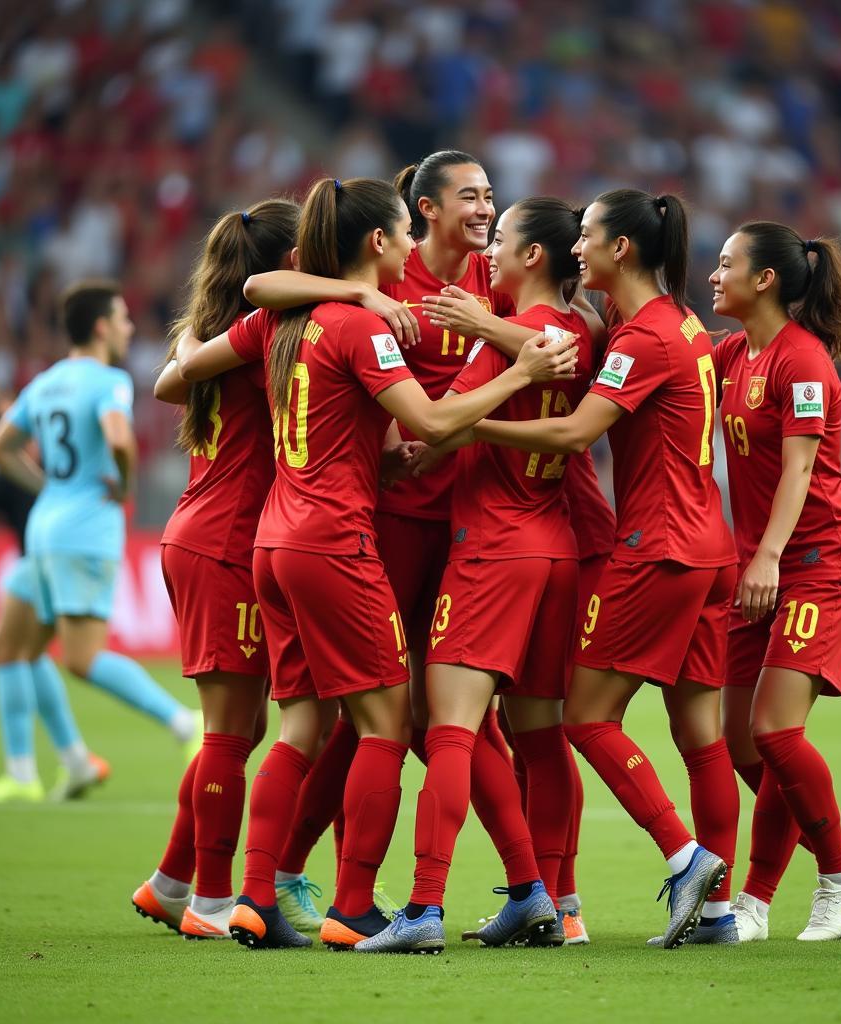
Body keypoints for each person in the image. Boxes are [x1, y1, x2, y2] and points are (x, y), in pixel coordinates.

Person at [176, 176, 577, 951]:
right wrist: (521, 374)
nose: (404, 250)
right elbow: (427, 419)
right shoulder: (366, 330)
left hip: (274, 544)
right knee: (389, 722)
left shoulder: (279, 323)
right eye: (397, 234)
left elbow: (192, 370)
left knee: (301, 723)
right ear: (379, 243)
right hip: (338, 543)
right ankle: (353, 903)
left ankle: (252, 897)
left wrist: (187, 344)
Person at [401, 189, 741, 950]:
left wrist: (453, 429)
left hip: (649, 546)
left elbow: (568, 430)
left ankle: (678, 859)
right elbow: (567, 343)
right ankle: (693, 913)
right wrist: (497, 332)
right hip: (687, 544)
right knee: (688, 736)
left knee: (573, 720)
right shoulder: (652, 325)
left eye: (588, 235)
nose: (578, 246)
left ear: (619, 248)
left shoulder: (635, 337)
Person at [359, 197, 604, 952]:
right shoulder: (578, 332)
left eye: (500, 240)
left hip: (493, 547)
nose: (487, 252)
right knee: (538, 735)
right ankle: (554, 901)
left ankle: (424, 906)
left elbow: (445, 421)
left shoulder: (507, 340)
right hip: (554, 547)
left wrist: (409, 447)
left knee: (449, 728)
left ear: (534, 257)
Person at [709, 221, 841, 941]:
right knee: (742, 743)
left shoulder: (804, 361)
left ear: (766, 280)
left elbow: (799, 469)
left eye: (727, 264)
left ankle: (828, 878)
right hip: (766, 564)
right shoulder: (732, 353)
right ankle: (815, 879)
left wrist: (766, 556)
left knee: (775, 732)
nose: (713, 275)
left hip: (817, 563)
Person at [131, 199, 300, 941]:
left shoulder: (214, 332)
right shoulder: (258, 337)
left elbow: (172, 380)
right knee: (230, 732)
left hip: (207, 533)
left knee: (243, 722)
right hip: (226, 541)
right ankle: (209, 898)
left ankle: (170, 882)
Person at [0, 281, 200, 780]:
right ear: (102, 327)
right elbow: (120, 440)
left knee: (10, 649)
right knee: (78, 658)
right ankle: (183, 722)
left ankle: (33, 772)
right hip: (85, 531)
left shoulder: (46, 382)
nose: (129, 327)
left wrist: (46, 487)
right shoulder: (109, 382)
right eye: (123, 318)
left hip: (45, 529)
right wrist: (122, 484)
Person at [0, 388, 109, 803]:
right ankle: (74, 758)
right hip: (47, 553)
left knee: (17, 651)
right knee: (25, 651)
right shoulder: (46, 449)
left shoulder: (15, 469)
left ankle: (180, 722)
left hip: (45, 556)